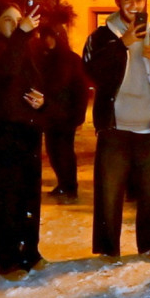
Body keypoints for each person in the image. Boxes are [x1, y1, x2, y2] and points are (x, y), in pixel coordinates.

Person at [82, 0, 150, 263]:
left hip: (149, 126)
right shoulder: (102, 36)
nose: (135, 6)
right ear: (118, 3)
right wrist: (123, 44)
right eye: (128, 0)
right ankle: (108, 248)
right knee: (109, 192)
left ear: (146, 2)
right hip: (114, 126)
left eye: (139, 0)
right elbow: (91, 69)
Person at [0, 4, 47, 280]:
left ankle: (30, 250)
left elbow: (39, 84)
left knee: (29, 194)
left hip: (28, 129)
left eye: (19, 20)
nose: (17, 25)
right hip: (2, 131)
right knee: (6, 197)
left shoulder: (26, 49)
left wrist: (43, 101)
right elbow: (6, 71)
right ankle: (8, 259)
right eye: (8, 20)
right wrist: (21, 36)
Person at [39, 24, 89, 204]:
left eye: (52, 36)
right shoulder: (43, 59)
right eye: (45, 36)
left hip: (66, 114)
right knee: (53, 151)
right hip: (49, 113)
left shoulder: (71, 60)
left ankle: (70, 187)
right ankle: (62, 183)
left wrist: (79, 115)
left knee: (65, 152)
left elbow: (80, 89)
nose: (48, 41)